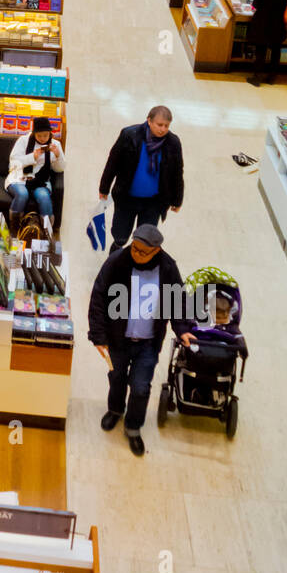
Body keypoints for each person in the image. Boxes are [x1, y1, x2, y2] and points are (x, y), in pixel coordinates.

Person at [87, 223, 188, 456]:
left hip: (148, 343)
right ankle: (115, 410)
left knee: (141, 388)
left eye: (143, 252)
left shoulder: (167, 267)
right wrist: (99, 335)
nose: (136, 254)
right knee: (116, 378)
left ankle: (133, 428)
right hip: (117, 339)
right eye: (134, 248)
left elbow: (178, 300)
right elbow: (99, 297)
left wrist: (182, 329)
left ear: (157, 251)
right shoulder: (117, 262)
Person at [98, 105, 184, 251]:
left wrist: (177, 199)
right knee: (120, 236)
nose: (163, 129)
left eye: (166, 126)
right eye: (159, 124)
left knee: (145, 239)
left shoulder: (173, 143)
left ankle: (136, 263)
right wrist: (104, 187)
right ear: (149, 121)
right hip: (127, 197)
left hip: (154, 203)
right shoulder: (129, 135)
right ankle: (115, 258)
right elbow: (113, 162)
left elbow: (177, 172)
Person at [4, 115, 65, 228]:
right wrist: (32, 157)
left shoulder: (55, 145)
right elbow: (14, 163)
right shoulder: (23, 140)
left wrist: (57, 156)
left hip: (41, 181)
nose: (42, 138)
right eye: (39, 135)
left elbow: (60, 169)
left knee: (44, 197)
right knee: (22, 194)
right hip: (20, 178)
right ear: (33, 133)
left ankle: (46, 231)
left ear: (50, 133)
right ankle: (15, 227)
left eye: (45, 135)